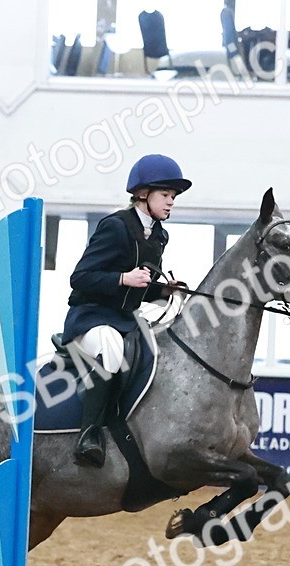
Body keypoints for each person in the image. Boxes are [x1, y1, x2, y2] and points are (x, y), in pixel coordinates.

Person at [61, 153, 190, 468]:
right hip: (90, 318)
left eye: (173, 197)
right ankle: (88, 436)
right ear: (143, 194)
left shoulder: (160, 235)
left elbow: (141, 289)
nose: (171, 202)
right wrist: (122, 278)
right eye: (165, 195)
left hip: (126, 321)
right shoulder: (116, 227)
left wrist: (166, 291)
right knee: (111, 349)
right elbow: (79, 278)